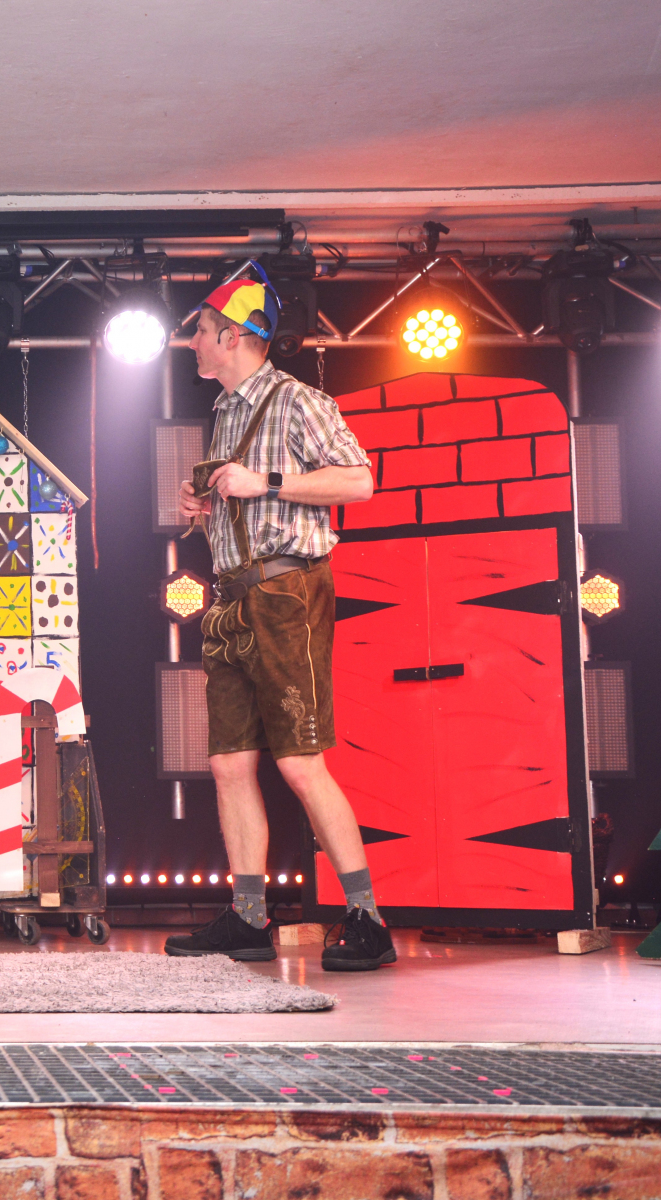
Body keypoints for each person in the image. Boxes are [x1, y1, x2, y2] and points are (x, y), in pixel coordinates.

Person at [166, 274, 396, 972]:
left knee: (299, 761)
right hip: (232, 598)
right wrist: (203, 505)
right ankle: (248, 918)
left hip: (286, 592)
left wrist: (263, 482)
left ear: (234, 335)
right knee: (229, 762)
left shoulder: (298, 400)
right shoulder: (225, 412)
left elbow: (360, 480)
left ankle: (368, 919)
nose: (192, 342)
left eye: (200, 331)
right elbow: (242, 499)